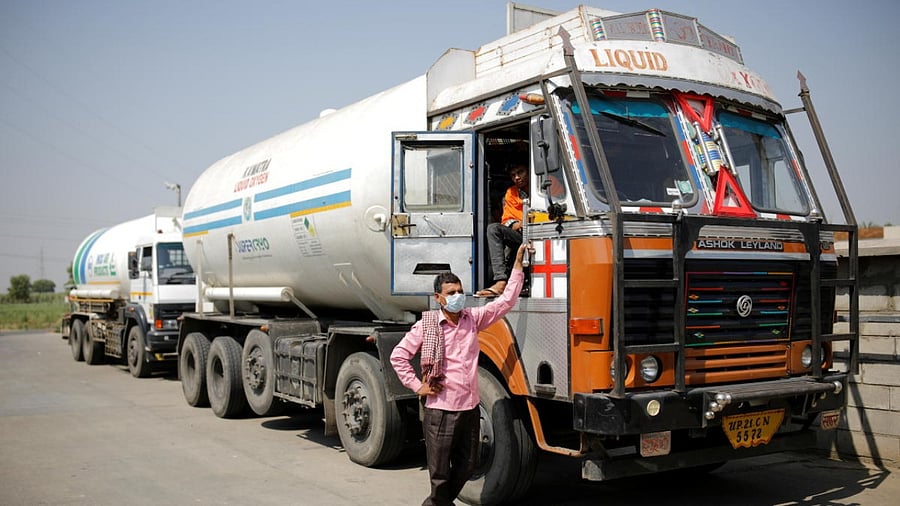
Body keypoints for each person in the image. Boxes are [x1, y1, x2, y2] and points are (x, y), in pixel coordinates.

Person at [390, 243, 530, 506]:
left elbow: (505, 302)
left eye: (460, 291)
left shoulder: (472, 319)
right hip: (441, 411)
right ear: (438, 298)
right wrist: (416, 386)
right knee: (440, 475)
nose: (457, 296)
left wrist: (518, 265)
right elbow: (398, 356)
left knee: (468, 467)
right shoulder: (427, 326)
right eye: (451, 293)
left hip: (469, 408)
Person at [476, 163, 529, 297]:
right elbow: (507, 221)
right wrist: (520, 224)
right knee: (493, 229)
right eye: (513, 175)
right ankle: (501, 281)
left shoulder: (549, 186)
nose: (517, 177)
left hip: (546, 236)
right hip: (521, 236)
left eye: (520, 172)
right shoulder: (511, 193)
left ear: (529, 170)